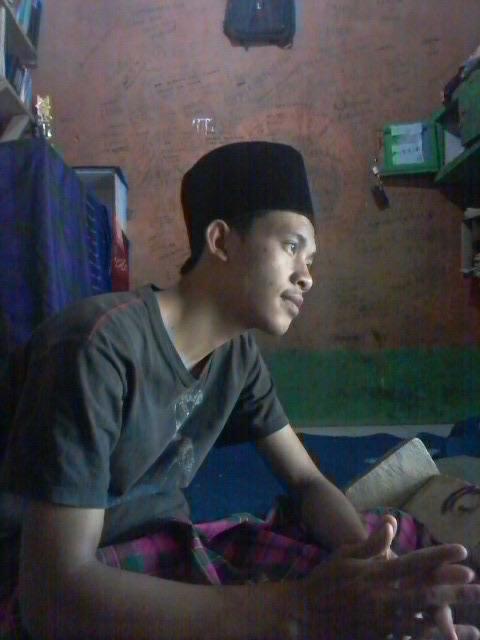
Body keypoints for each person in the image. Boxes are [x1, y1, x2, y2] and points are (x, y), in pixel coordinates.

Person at [0, 142, 479, 640]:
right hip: (77, 580)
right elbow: (50, 598)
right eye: (292, 247)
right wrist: (298, 611)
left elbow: (306, 481)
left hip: (170, 545)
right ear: (221, 241)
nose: (307, 277)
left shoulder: (237, 355)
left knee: (403, 541)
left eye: (310, 259)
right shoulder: (97, 346)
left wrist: (375, 567)